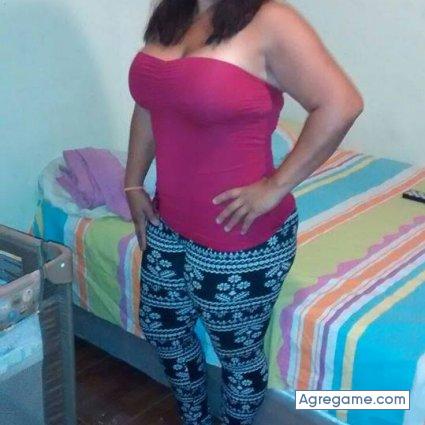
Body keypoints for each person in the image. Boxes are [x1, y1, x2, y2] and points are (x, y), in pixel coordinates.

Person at [125, 1, 363, 424]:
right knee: (162, 327)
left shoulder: (270, 19)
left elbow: (341, 103)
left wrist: (275, 186)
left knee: (237, 355)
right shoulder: (172, 13)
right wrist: (132, 181)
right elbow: (150, 101)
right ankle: (195, 418)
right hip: (168, 220)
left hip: (239, 235)